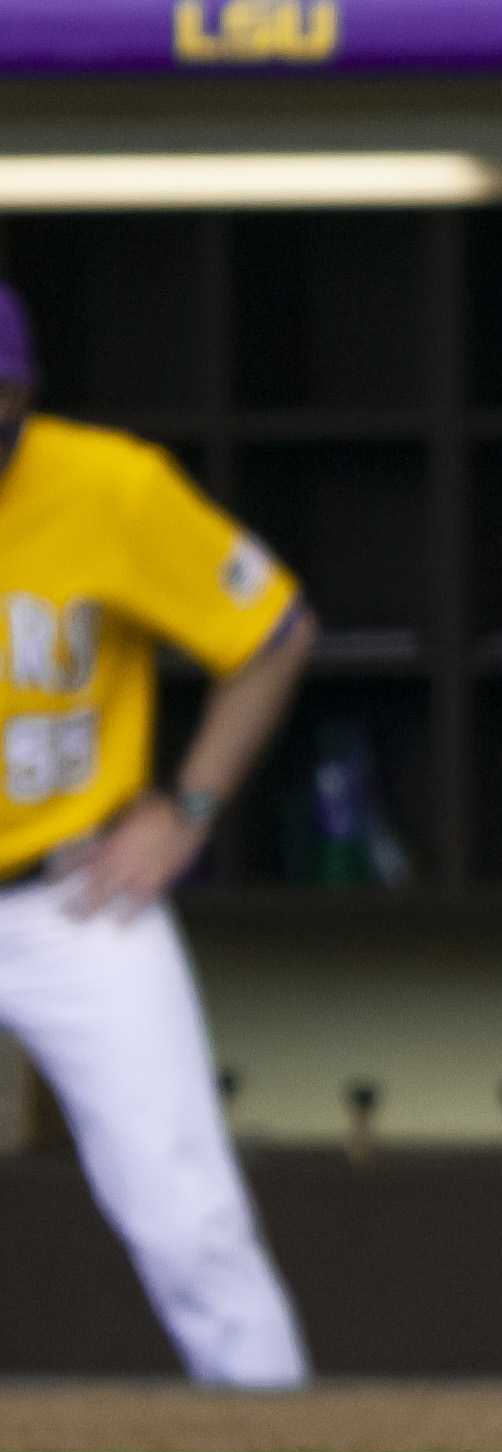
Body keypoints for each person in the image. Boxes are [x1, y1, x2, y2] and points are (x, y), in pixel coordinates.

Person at [0, 281, 314, 1386]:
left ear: (19, 390)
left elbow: (273, 630)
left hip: (74, 894)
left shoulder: (107, 485)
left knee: (186, 1210)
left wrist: (186, 808)